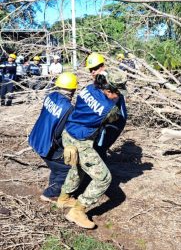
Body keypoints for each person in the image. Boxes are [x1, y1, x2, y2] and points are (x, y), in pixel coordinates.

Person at [58, 68, 127, 229]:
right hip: (81, 141)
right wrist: (116, 103)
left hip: (68, 132)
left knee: (78, 168)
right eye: (117, 92)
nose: (119, 95)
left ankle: (64, 197)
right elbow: (116, 118)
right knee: (103, 178)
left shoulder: (89, 87)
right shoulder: (109, 109)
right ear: (109, 90)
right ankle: (78, 210)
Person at [28, 72, 78, 205]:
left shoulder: (50, 96)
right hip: (47, 144)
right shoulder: (68, 108)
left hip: (36, 137)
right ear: (73, 90)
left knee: (56, 166)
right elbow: (59, 133)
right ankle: (50, 194)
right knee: (65, 168)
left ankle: (53, 187)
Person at [85, 52, 127, 158]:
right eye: (91, 70)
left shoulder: (111, 80)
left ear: (103, 66)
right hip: (106, 117)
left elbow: (114, 105)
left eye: (95, 68)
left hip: (115, 120)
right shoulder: (99, 81)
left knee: (100, 148)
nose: (93, 72)